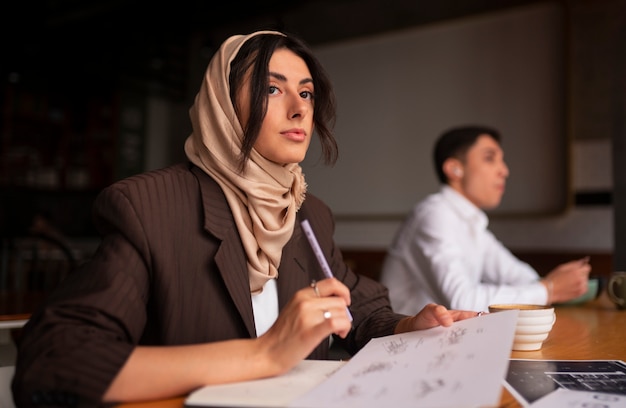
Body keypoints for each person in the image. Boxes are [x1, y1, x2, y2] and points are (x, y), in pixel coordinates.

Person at [11, 31, 479, 406]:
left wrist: (406, 326)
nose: (299, 109)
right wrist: (264, 354)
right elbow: (56, 359)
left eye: (308, 94)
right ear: (222, 104)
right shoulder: (149, 206)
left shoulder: (306, 211)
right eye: (272, 89)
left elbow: (361, 308)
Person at [379, 125, 592, 314]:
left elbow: (519, 275)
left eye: (502, 161)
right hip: (408, 346)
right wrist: (548, 289)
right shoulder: (434, 215)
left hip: (442, 341)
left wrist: (552, 285)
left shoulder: (473, 222)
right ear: (454, 169)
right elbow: (462, 301)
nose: (504, 171)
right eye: (490, 158)